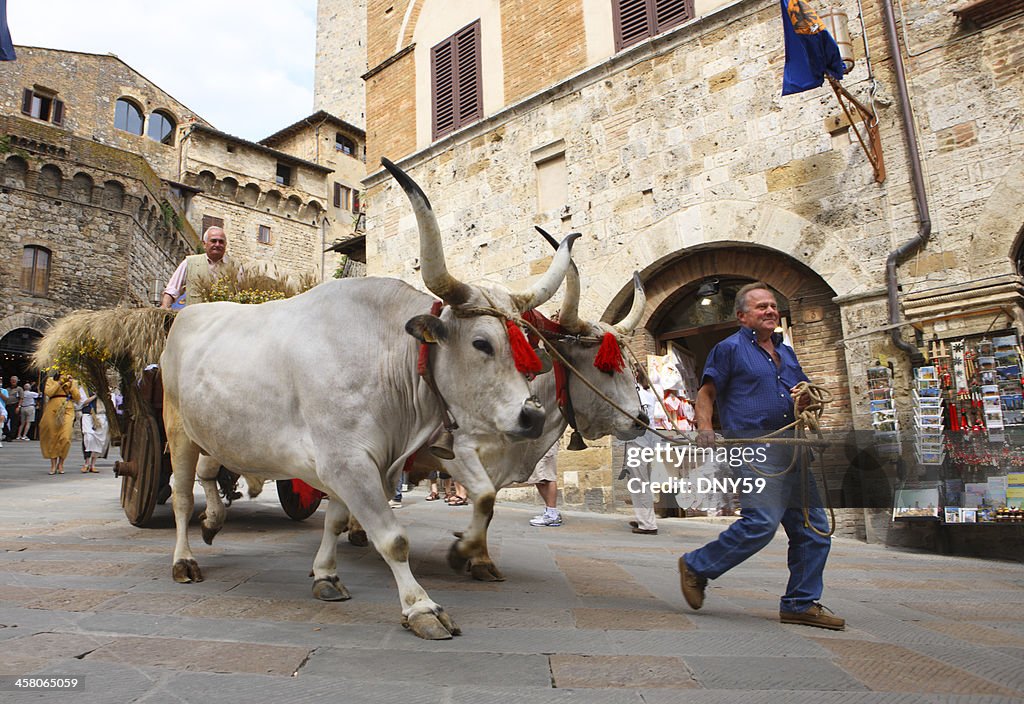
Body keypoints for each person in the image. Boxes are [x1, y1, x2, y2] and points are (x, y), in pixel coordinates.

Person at [678, 282, 844, 631]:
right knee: (761, 523)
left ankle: (800, 602)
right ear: (742, 316)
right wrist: (705, 428)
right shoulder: (729, 349)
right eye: (761, 307)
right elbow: (706, 393)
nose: (770, 311)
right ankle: (697, 565)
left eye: (773, 305)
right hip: (755, 449)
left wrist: (806, 400)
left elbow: (803, 395)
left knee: (815, 529)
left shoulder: (787, 353)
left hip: (794, 449)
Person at [160, 226, 238, 308]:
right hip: (194, 317)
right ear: (204, 244)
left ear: (225, 244)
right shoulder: (189, 263)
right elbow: (172, 290)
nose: (217, 244)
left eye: (221, 242)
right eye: (213, 241)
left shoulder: (236, 267)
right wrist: (164, 309)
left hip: (224, 318)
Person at [623, 365, 660, 535]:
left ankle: (648, 524)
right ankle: (644, 518)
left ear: (635, 375)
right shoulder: (649, 396)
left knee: (639, 484)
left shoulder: (635, 395)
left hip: (638, 443)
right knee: (640, 483)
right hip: (646, 443)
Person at [39, 372, 82, 475]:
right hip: (53, 408)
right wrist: (59, 382)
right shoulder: (51, 380)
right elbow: (48, 392)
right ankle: (53, 464)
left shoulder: (74, 381)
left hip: (67, 407)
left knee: (65, 437)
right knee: (52, 436)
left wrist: (72, 385)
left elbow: (77, 397)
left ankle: (61, 462)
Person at [528, 443, 561, 526]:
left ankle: (552, 515)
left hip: (546, 441)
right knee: (538, 477)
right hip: (538, 442)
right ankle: (552, 512)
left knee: (547, 476)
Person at [79, 393, 109, 473]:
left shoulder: (105, 389)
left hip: (101, 415)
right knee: (88, 438)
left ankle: (93, 464)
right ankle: (86, 463)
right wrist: (95, 395)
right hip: (88, 415)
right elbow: (82, 402)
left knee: (98, 440)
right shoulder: (85, 388)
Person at [3, 375, 21, 441]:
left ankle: (11, 436)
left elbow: (21, 398)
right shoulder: (7, 389)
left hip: (14, 405)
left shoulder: (19, 389)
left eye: (15, 380)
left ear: (17, 381)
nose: (13, 381)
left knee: (14, 422)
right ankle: (7, 434)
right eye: (12, 380)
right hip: (7, 406)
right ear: (10, 381)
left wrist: (18, 407)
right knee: (4, 420)